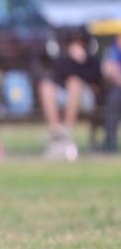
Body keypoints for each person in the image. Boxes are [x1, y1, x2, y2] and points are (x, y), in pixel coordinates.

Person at [38, 27, 102, 159]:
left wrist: (83, 61)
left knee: (74, 83)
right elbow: (57, 76)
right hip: (64, 96)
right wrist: (70, 58)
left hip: (85, 97)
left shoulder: (92, 60)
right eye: (74, 41)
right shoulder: (63, 58)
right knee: (46, 86)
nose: (77, 44)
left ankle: (67, 132)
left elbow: (96, 79)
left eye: (80, 41)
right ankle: (56, 133)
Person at [102, 35, 121, 153]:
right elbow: (109, 70)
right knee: (114, 99)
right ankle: (111, 142)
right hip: (117, 89)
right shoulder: (112, 51)